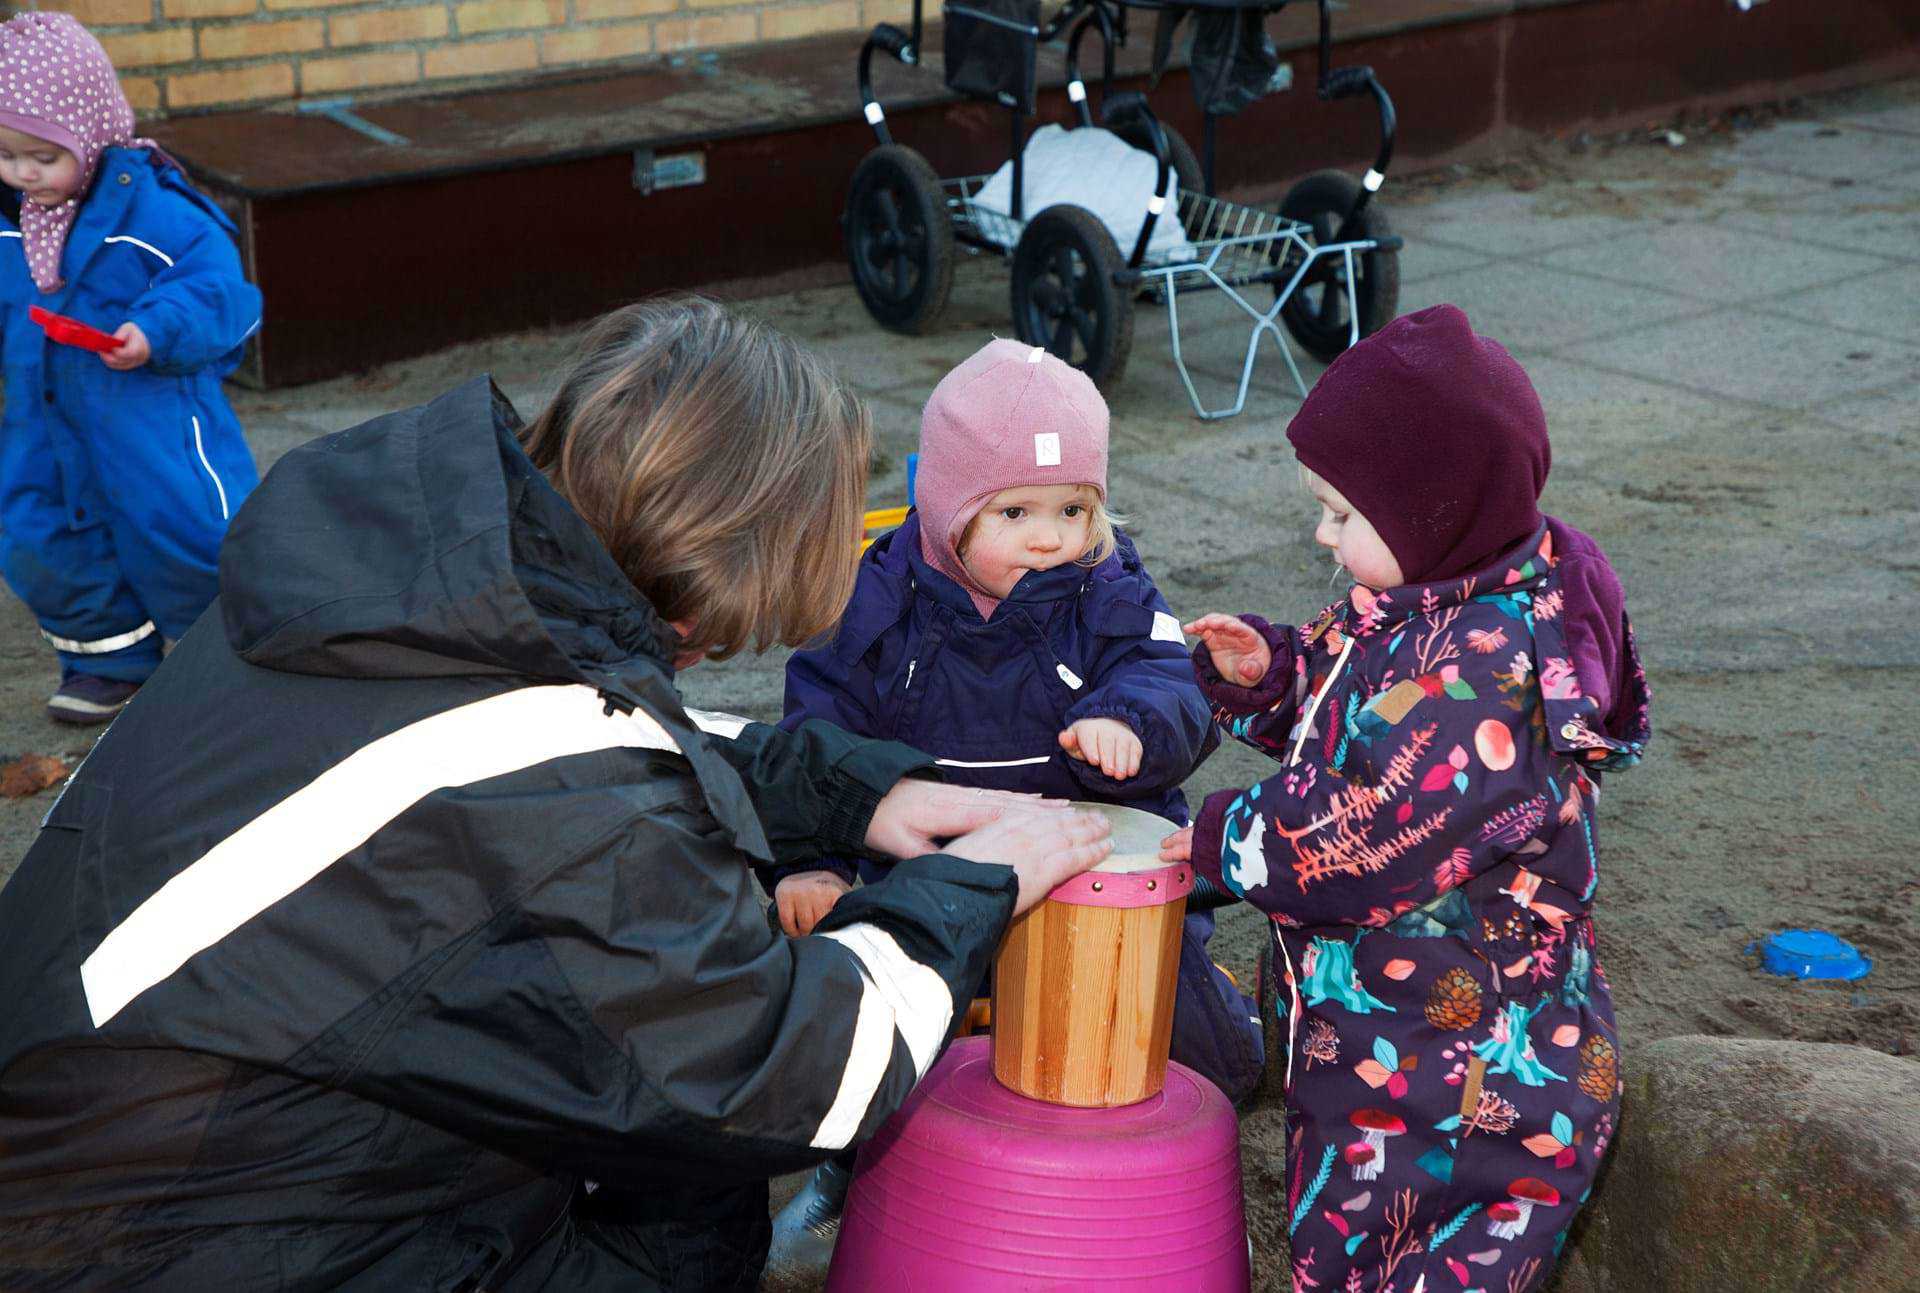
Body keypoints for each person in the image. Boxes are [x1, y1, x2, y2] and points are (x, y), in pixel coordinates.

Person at [0, 298, 1114, 1291]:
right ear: (757, 554)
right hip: (179, 1237)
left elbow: (585, 746)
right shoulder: (562, 808)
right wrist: (976, 885)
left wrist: (850, 795)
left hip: (130, 1145)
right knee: (689, 1181)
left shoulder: (430, 585)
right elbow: (788, 1074)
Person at [1164, 305, 1650, 1292]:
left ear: (1434, 510)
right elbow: (1358, 714)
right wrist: (1272, 673)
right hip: (1391, 1044)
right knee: (1345, 1247)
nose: (1321, 533)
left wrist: (1211, 837)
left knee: (1400, 1262)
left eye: (1344, 515)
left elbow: (1367, 835)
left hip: (1473, 1094)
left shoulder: (1488, 676)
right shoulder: (1421, 608)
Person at [763, 339, 1265, 1274]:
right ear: (949, 511)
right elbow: (814, 733)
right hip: (927, 867)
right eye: (1016, 512)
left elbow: (1174, 683)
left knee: (1182, 1035)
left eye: (1074, 509)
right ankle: (844, 1168)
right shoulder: (877, 598)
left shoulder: (1108, 587)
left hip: (1087, 858)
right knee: (882, 1025)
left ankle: (1230, 1065)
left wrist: (1130, 722)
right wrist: (812, 858)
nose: (1051, 537)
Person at [0, 12, 261, 724]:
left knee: (187, 530)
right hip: (42, 422)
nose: (23, 173)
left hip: (153, 423)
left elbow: (222, 294)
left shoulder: (156, 213)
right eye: (6, 154)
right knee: (44, 534)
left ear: (86, 134)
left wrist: (154, 330)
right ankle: (107, 659)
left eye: (41, 156)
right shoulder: (10, 222)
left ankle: (232, 649)